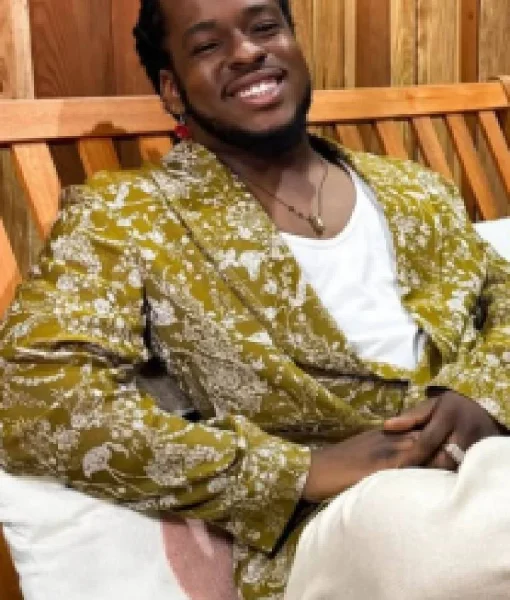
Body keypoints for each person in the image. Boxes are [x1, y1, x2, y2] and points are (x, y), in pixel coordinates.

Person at [1, 0, 510, 598]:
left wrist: (480, 394)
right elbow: (33, 400)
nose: (247, 51)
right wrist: (297, 472)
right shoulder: (126, 218)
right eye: (207, 46)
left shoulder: (416, 189)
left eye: (265, 27)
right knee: (442, 551)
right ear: (172, 89)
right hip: (348, 517)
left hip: (487, 458)